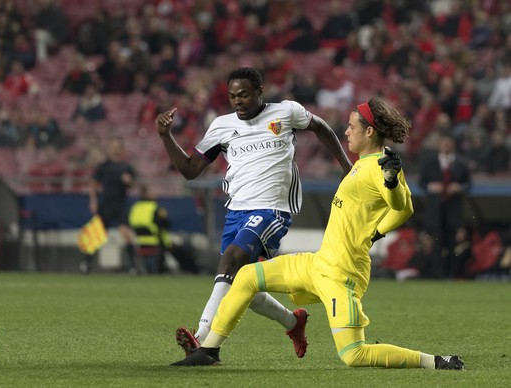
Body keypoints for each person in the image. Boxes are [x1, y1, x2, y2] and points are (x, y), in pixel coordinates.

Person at [170, 97, 464, 370]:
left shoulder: (380, 167)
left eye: (351, 127)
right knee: (246, 276)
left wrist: (388, 188)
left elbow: (400, 205)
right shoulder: (369, 162)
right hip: (319, 263)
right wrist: (376, 232)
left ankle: (435, 362)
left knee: (354, 355)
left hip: (343, 274)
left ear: (370, 132)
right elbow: (404, 209)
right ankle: (209, 350)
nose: (346, 132)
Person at [156, 67, 353, 358]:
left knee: (231, 260)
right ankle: (292, 321)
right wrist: (165, 135)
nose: (238, 101)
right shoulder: (222, 126)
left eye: (245, 94)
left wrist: (346, 166)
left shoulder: (286, 112)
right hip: (236, 210)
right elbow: (189, 170)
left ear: (260, 92)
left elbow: (321, 127)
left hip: (272, 209)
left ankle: (202, 339)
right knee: (240, 282)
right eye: (233, 96)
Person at [418, 132, 472, 278]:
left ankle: (452, 273)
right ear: (439, 145)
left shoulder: (461, 163)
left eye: (449, 143)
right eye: (444, 143)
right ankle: (437, 274)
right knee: (436, 243)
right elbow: (422, 183)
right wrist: (431, 187)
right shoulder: (429, 162)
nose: (446, 145)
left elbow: (468, 184)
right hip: (435, 210)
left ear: (453, 145)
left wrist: (459, 187)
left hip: (453, 210)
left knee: (452, 243)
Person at [82, 136, 138, 274]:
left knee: (126, 234)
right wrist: (93, 200)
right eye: (112, 147)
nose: (114, 150)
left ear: (121, 149)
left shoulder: (126, 167)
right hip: (106, 204)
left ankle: (132, 266)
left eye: (116, 147)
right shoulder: (103, 167)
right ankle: (86, 263)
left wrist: (129, 181)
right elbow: (94, 184)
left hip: (120, 204)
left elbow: (133, 183)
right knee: (96, 235)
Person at [128, 185, 174, 274]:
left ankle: (148, 269)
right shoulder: (154, 208)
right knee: (176, 249)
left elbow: (131, 223)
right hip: (156, 241)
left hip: (140, 241)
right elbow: (166, 224)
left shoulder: (135, 207)